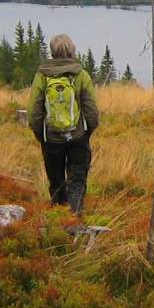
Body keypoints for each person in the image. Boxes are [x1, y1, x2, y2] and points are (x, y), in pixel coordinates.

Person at [28, 33, 98, 215]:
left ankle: (58, 220)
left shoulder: (42, 76)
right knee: (77, 180)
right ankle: (76, 217)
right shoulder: (81, 75)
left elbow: (34, 111)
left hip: (51, 139)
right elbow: (91, 110)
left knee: (56, 181)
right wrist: (87, 131)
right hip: (78, 137)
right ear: (72, 50)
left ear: (52, 52)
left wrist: (40, 135)